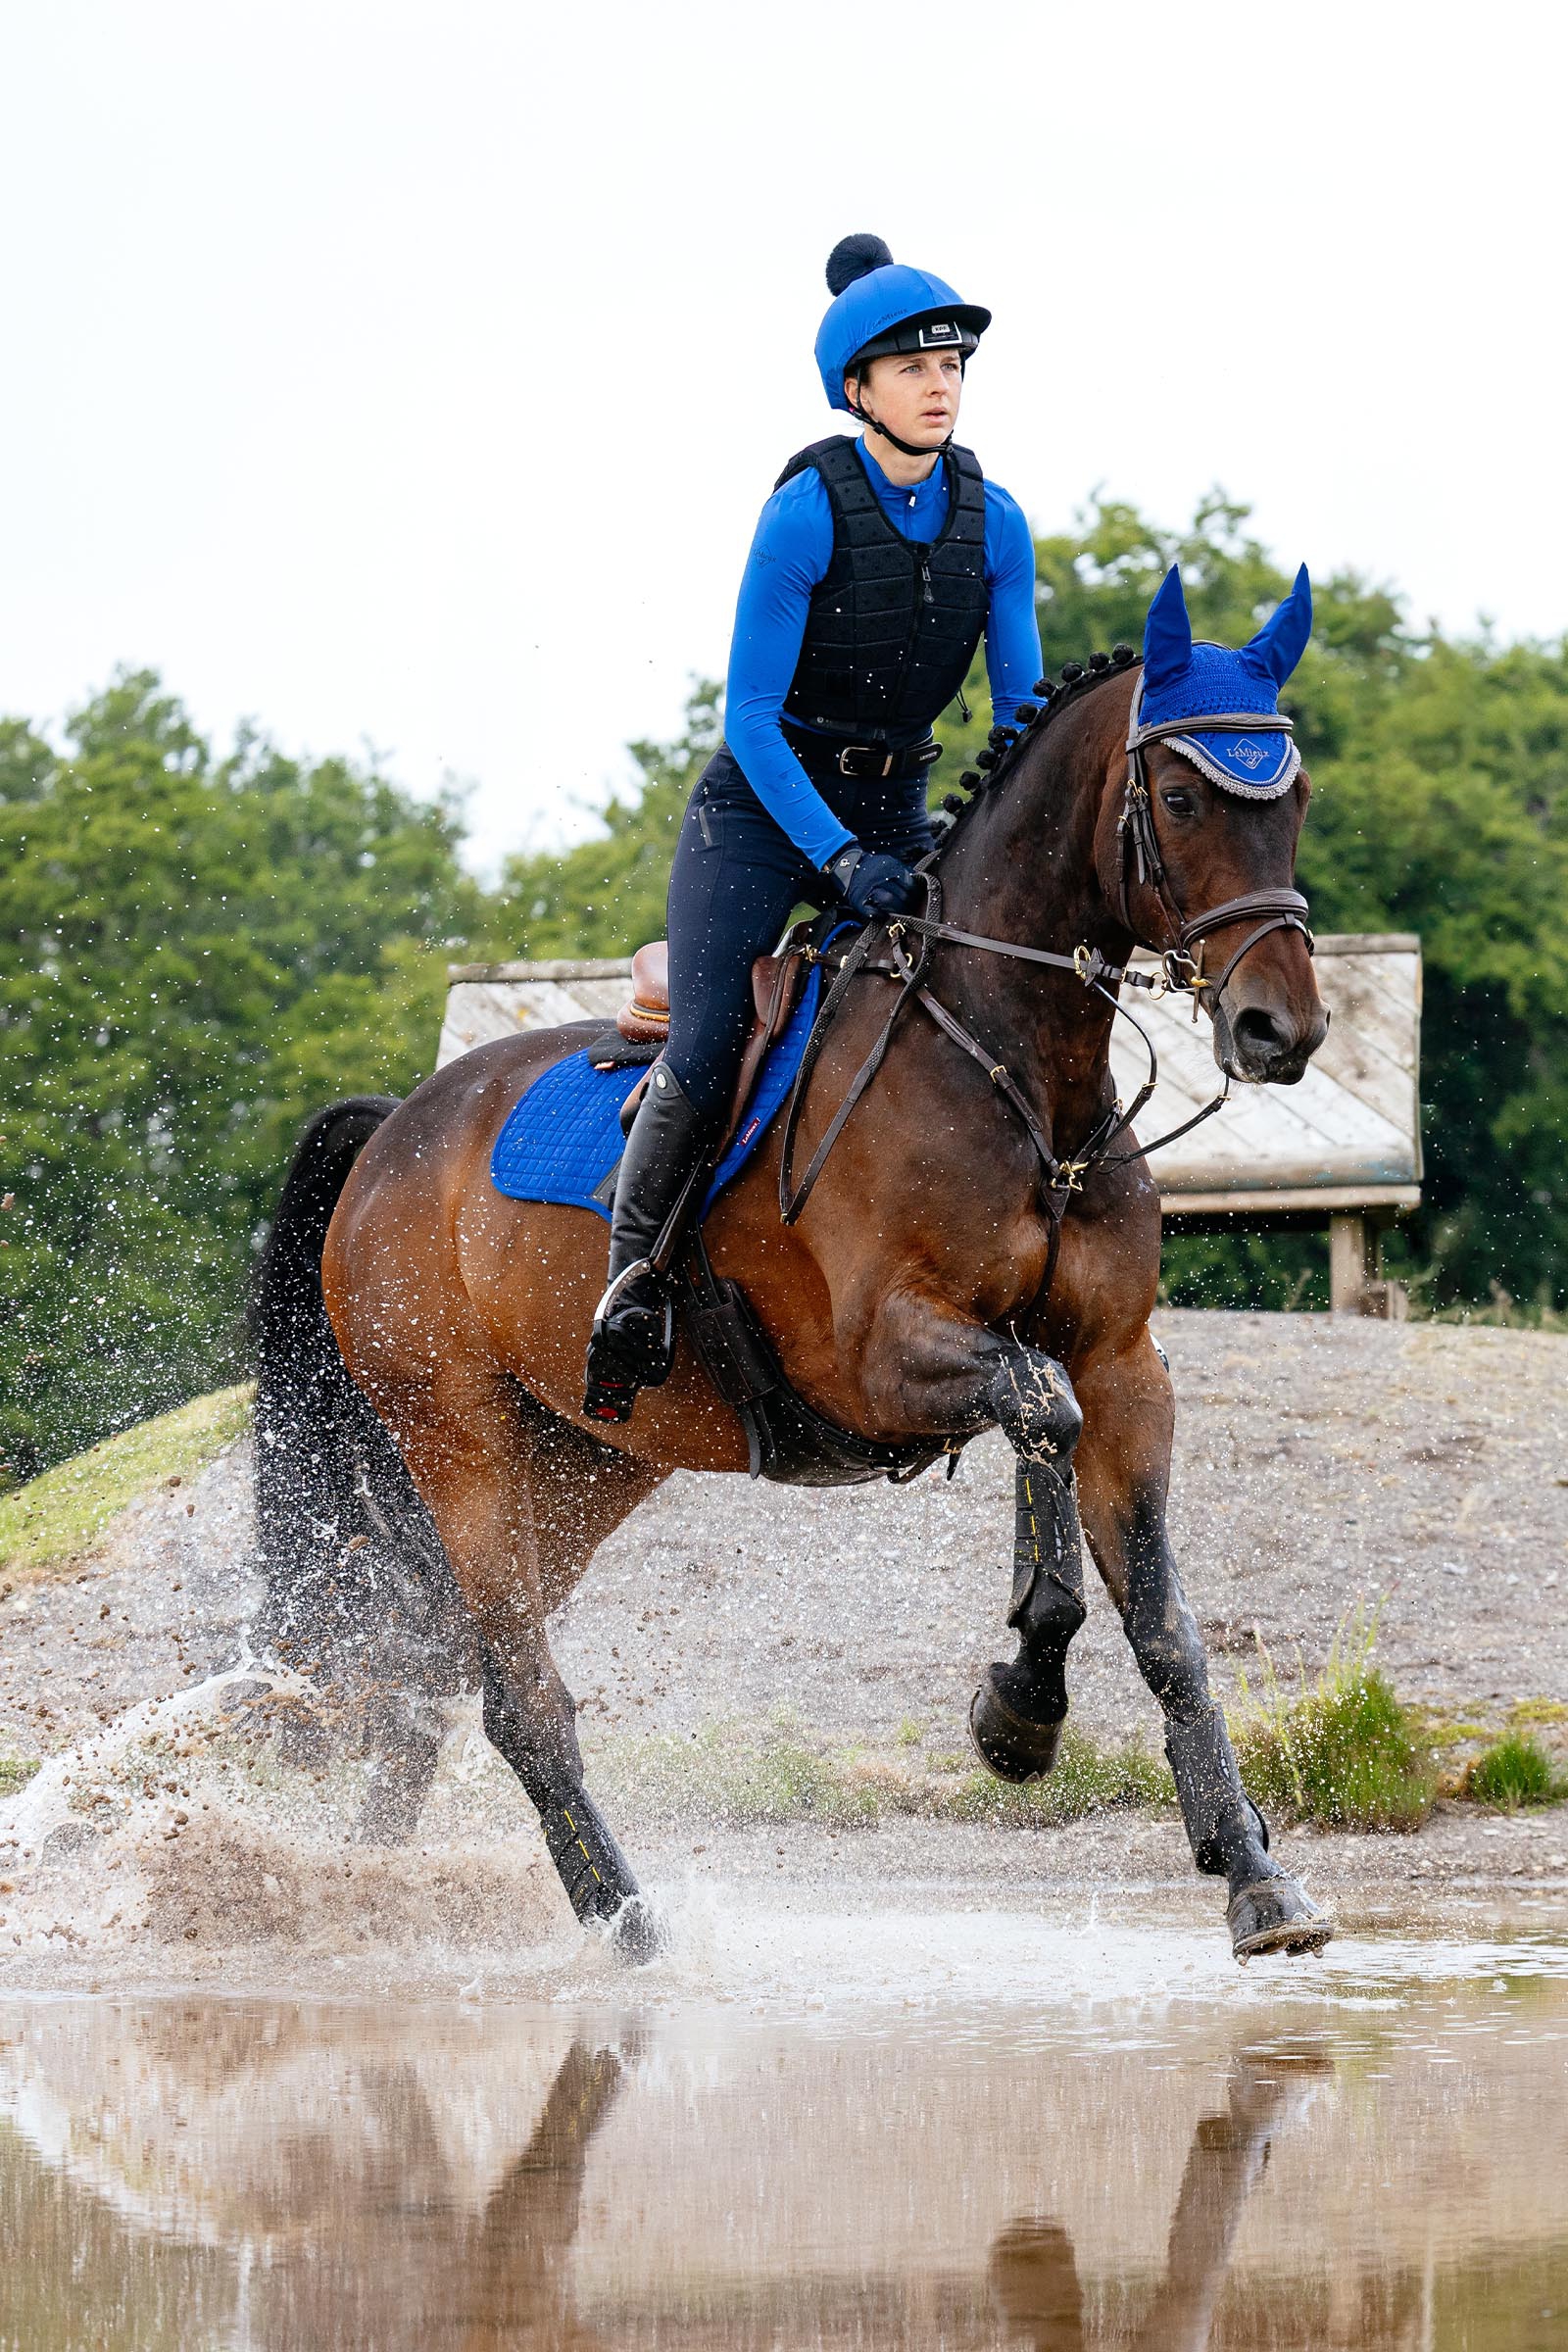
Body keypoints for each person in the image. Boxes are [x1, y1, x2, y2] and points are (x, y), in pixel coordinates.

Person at [583, 232, 1044, 1422]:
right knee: (713, 1032)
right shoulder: (803, 515)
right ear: (856, 390)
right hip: (764, 813)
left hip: (896, 809)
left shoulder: (995, 525)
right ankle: (629, 1284)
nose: (939, 383)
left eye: (951, 364)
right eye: (910, 367)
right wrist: (836, 858)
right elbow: (746, 717)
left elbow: (1024, 709)